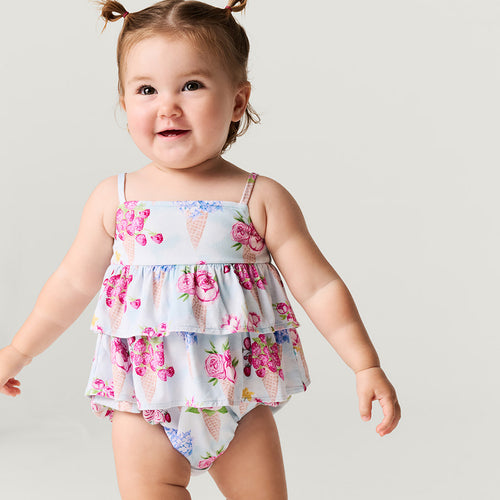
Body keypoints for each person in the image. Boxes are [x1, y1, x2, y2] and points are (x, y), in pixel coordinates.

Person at [0, 1, 401, 498]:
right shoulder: (115, 199)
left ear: (237, 101)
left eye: (191, 85)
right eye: (147, 90)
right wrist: (18, 351)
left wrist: (365, 364)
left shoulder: (258, 198)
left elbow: (318, 286)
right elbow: (71, 283)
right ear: (124, 103)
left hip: (240, 396)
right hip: (143, 403)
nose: (168, 106)